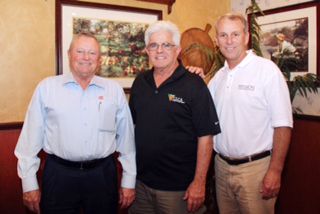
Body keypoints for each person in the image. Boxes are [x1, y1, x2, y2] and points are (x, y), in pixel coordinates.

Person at [14, 33, 136, 214]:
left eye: (92, 53)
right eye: (80, 51)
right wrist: (29, 184)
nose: (86, 57)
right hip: (59, 175)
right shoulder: (47, 88)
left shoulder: (114, 91)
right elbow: (30, 138)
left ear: (99, 59)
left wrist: (128, 181)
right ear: (69, 54)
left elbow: (127, 139)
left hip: (102, 175)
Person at [128, 21, 221, 214]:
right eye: (154, 45)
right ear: (147, 50)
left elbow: (206, 137)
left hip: (179, 190)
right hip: (141, 185)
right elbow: (133, 127)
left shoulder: (194, 84)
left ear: (178, 50)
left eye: (166, 45)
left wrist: (199, 183)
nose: (159, 50)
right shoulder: (140, 83)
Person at [208, 13, 293, 213]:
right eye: (223, 35)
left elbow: (283, 124)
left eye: (235, 34)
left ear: (246, 37)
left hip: (256, 170)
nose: (229, 41)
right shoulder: (217, 79)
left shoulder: (267, 71)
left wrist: (275, 171)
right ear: (217, 41)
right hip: (221, 168)